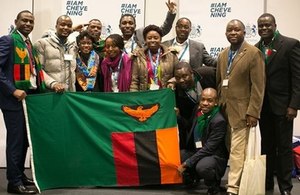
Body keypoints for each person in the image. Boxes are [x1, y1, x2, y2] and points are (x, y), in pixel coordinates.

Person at [216, 19, 265, 195]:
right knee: (232, 149)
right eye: (230, 30)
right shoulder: (222, 55)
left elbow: (258, 87)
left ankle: (233, 187)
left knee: (237, 151)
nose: (233, 33)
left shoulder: (253, 53)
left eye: (237, 30)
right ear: (226, 33)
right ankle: (240, 180)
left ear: (244, 32)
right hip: (224, 111)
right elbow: (219, 83)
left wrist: (253, 112)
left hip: (243, 112)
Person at [0, 10, 46, 194]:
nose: (28, 24)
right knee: (16, 141)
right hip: (13, 101)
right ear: (16, 21)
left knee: (25, 141)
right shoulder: (8, 40)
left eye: (31, 21)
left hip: (29, 99)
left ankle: (19, 174)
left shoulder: (29, 44)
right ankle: (14, 182)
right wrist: (12, 90)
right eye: (24, 20)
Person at [256, 13, 300, 195]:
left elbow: (298, 78)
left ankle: (285, 187)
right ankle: (266, 184)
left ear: (275, 25)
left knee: (283, 148)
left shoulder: (290, 44)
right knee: (266, 146)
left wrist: (294, 105)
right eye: (260, 26)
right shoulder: (256, 48)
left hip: (284, 107)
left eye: (267, 25)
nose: (264, 28)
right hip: (263, 108)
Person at [178, 88, 228, 195]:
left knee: (202, 166)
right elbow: (188, 126)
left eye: (209, 100)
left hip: (214, 156)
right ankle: (193, 178)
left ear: (216, 102)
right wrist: (178, 116)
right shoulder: (198, 112)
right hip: (198, 150)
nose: (205, 103)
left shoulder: (219, 121)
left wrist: (188, 163)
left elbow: (209, 148)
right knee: (179, 155)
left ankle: (214, 186)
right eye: (203, 100)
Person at [174, 61, 216, 149]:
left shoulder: (208, 74)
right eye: (177, 78)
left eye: (185, 76)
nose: (181, 80)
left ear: (192, 73)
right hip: (197, 126)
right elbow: (187, 124)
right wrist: (178, 117)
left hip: (215, 117)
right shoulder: (177, 91)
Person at [35, 15, 77, 92]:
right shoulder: (42, 44)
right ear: (56, 26)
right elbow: (38, 69)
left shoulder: (72, 46)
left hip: (68, 94)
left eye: (69, 26)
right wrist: (53, 84)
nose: (66, 28)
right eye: (62, 24)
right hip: (49, 93)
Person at [130, 24, 178, 91]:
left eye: (156, 38)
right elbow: (134, 81)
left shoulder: (171, 55)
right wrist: (134, 97)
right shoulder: (138, 56)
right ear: (145, 40)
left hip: (164, 95)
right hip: (145, 96)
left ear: (160, 39)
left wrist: (172, 82)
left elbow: (177, 75)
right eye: (149, 38)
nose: (152, 40)